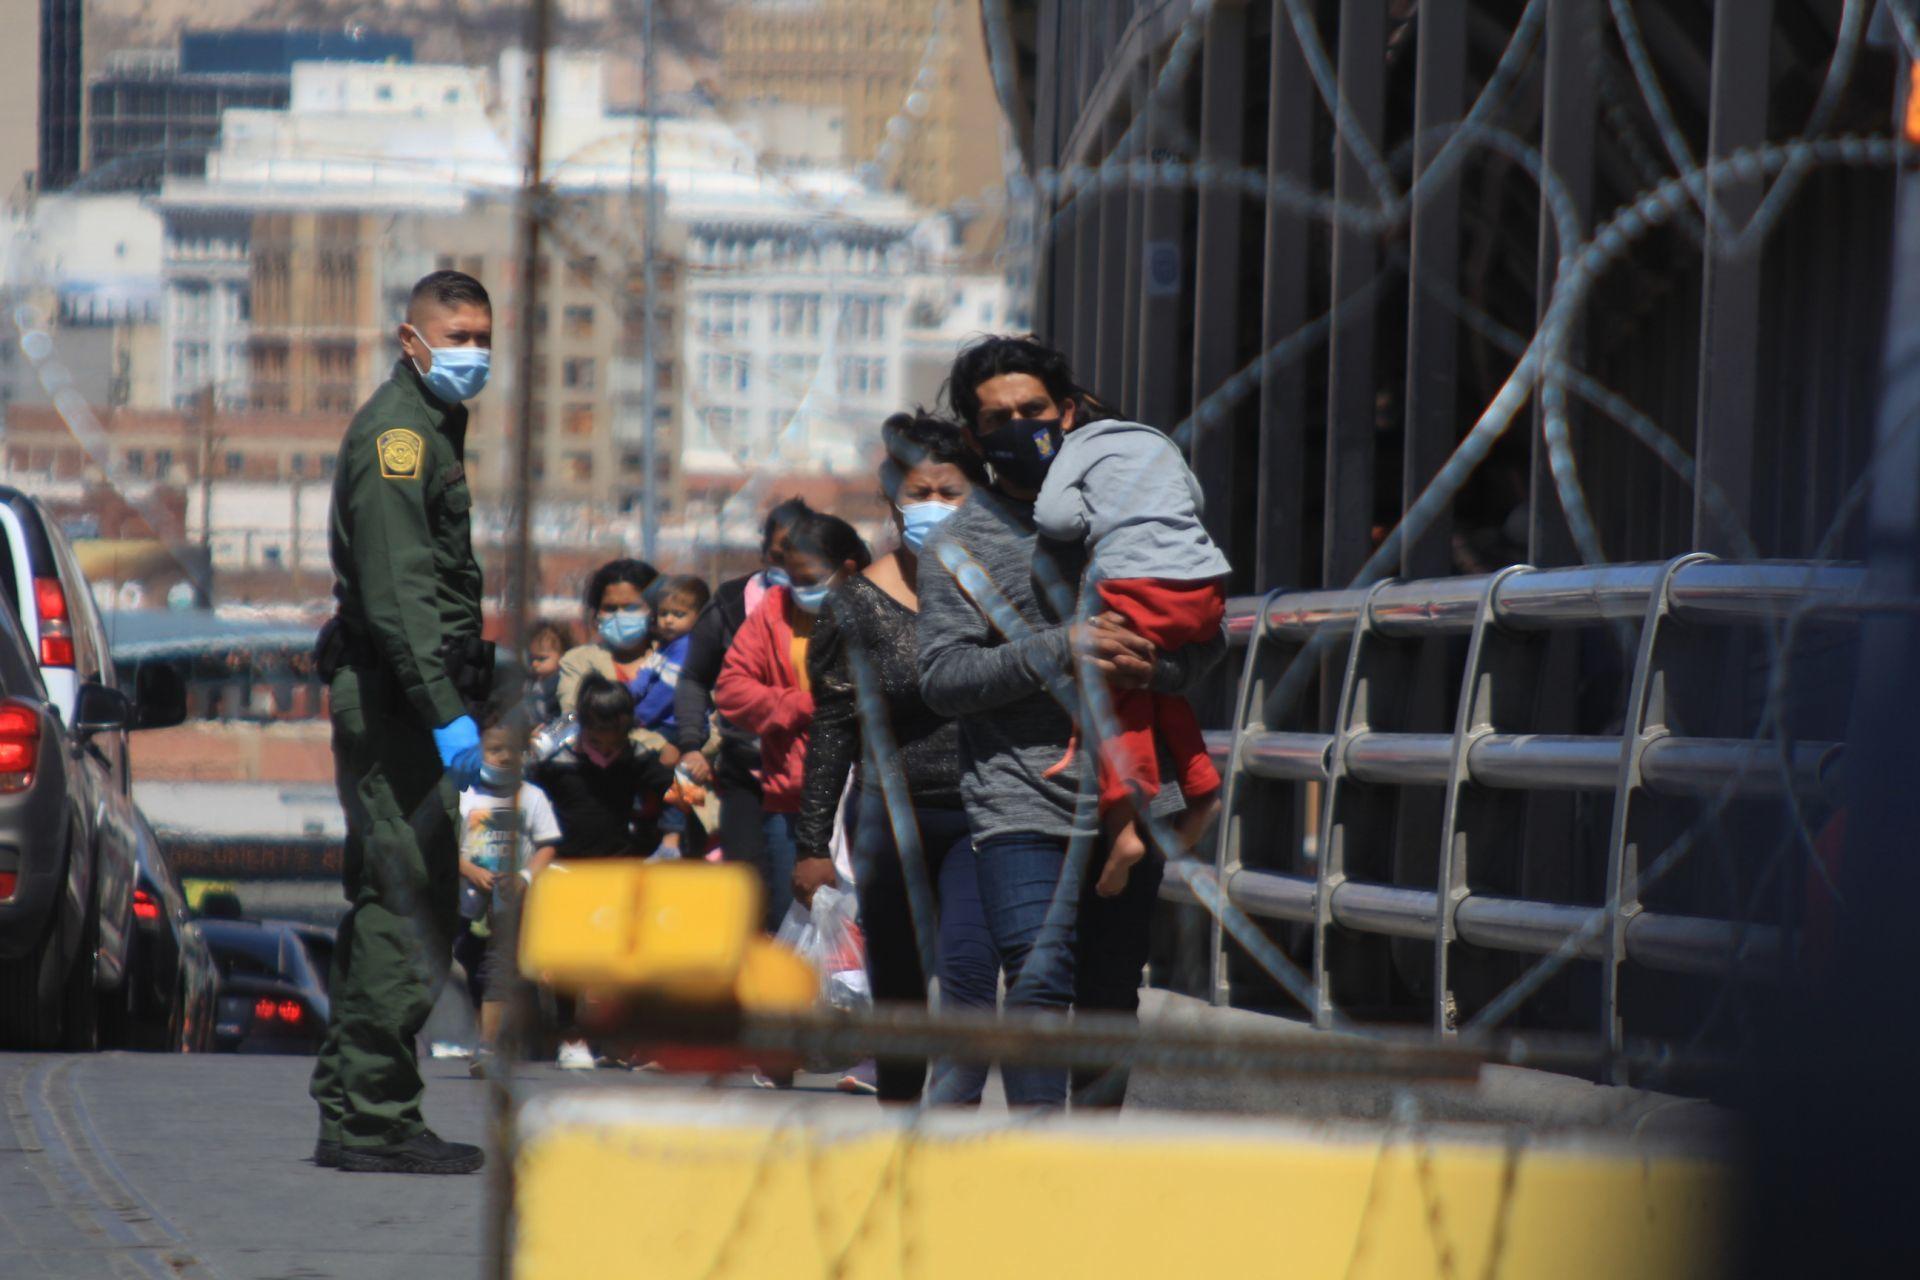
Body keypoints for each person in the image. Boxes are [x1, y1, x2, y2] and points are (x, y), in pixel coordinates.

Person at [918, 334, 1225, 1110]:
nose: (1020, 428)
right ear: (973, 437)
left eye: (1033, 410)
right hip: (1018, 797)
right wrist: (1064, 646)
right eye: (998, 419)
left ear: (1068, 412)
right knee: (1037, 974)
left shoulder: (1132, 506)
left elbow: (1204, 643)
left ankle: (1090, 1160)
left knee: (1108, 995)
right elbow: (943, 679)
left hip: (1131, 796)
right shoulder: (959, 544)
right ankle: (1038, 1156)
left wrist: (1153, 671)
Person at [309, 269, 494, 1174]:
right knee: (410, 901)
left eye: (483, 338)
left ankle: (355, 1105)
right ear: (410, 338)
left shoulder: (432, 425)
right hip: (400, 704)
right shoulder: (400, 438)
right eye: (457, 338)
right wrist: (445, 712)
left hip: (407, 698)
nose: (474, 354)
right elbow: (399, 595)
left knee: (393, 896)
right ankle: (374, 1120)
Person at [794, 412, 999, 1105]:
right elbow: (832, 725)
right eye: (920, 493)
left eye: (951, 492)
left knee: (970, 970)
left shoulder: (1004, 591)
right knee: (900, 982)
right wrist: (812, 844)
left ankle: (959, 1120)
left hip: (982, 810)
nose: (934, 506)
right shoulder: (855, 603)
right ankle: (903, 1118)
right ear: (893, 498)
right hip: (888, 813)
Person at [1032, 387, 1232, 897]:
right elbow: (1195, 500)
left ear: (1069, 415)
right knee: (1155, 687)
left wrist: (1090, 514)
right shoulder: (1158, 440)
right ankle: (1202, 786)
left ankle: (1123, 828)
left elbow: (1055, 518)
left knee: (1115, 687)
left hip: (1138, 584)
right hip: (1204, 585)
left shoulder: (1077, 445)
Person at [714, 512, 871, 930]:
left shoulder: (879, 606)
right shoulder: (774, 609)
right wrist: (805, 706)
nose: (800, 589)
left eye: (811, 578)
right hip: (793, 797)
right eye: (793, 578)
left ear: (847, 569)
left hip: (866, 793)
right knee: (797, 924)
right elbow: (731, 690)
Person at [529, 674, 680, 1069]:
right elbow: (528, 801)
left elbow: (674, 794)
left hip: (618, 870)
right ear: (582, 724)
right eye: (597, 738)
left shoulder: (636, 760)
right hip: (567, 871)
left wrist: (669, 837)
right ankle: (571, 1037)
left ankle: (619, 1039)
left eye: (615, 738)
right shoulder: (556, 764)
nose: (606, 747)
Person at [673, 499, 811, 882]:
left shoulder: (832, 603)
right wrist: (691, 742)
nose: (787, 562)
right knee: (744, 881)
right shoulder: (731, 605)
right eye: (779, 552)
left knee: (789, 885)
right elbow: (694, 677)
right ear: (764, 550)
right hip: (743, 768)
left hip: (806, 773)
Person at [455, 708, 561, 1076]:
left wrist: (524, 878)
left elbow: (547, 846)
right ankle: (484, 1038)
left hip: (509, 908)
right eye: (494, 749)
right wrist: (470, 870)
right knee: (473, 969)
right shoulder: (465, 797)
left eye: (511, 749)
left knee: (496, 972)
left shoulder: (532, 797)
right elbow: (446, 849)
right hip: (469, 906)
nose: (503, 757)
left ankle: (488, 1047)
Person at [557, 559, 659, 715]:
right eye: (610, 608)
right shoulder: (579, 662)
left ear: (654, 609)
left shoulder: (676, 657)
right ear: (597, 613)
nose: (619, 616)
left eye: (631, 607)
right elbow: (574, 716)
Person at [523, 620, 571, 725]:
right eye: (531, 658)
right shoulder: (531, 682)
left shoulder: (562, 683)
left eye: (541, 658)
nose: (535, 663)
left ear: (562, 656)